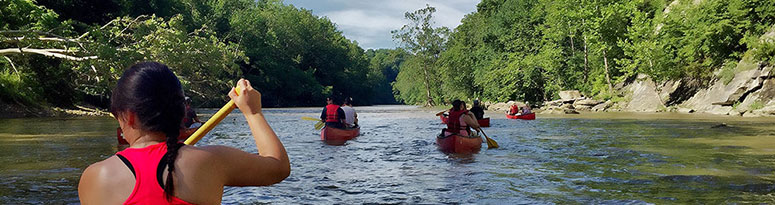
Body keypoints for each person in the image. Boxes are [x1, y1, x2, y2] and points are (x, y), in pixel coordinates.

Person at [78, 62, 290, 204]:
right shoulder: (211, 161)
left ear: (129, 117)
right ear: (181, 112)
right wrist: (253, 113)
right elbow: (278, 167)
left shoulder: (94, 177)